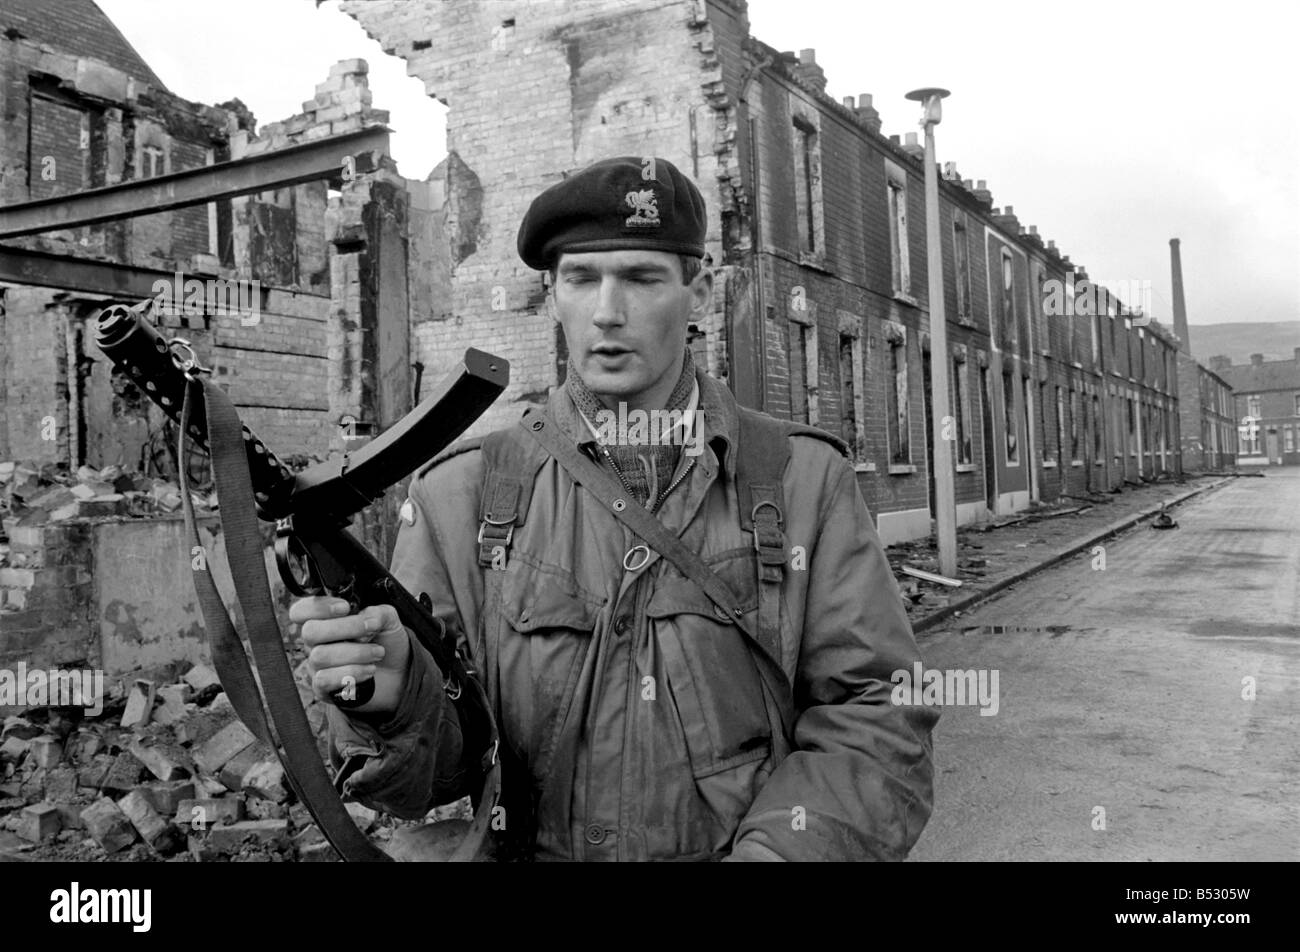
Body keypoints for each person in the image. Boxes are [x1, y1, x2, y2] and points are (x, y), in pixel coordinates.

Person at [290, 155, 937, 861]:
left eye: (640, 277)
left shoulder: (801, 482)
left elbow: (878, 712)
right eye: (581, 278)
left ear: (700, 289)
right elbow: (437, 776)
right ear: (552, 291)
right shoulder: (462, 497)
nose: (606, 311)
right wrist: (394, 704)